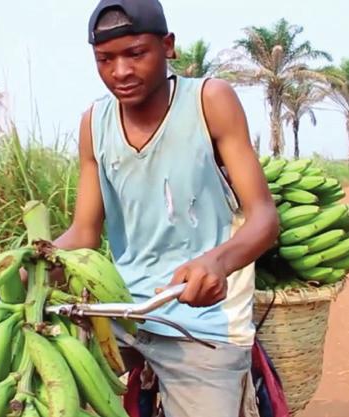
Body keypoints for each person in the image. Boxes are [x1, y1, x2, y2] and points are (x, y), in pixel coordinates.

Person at [33, 1, 280, 416]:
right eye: (105, 59)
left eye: (135, 54)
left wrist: (218, 263)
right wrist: (33, 263)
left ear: (167, 46)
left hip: (202, 321)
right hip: (121, 311)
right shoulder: (94, 123)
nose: (120, 72)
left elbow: (264, 218)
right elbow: (84, 234)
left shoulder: (210, 101)